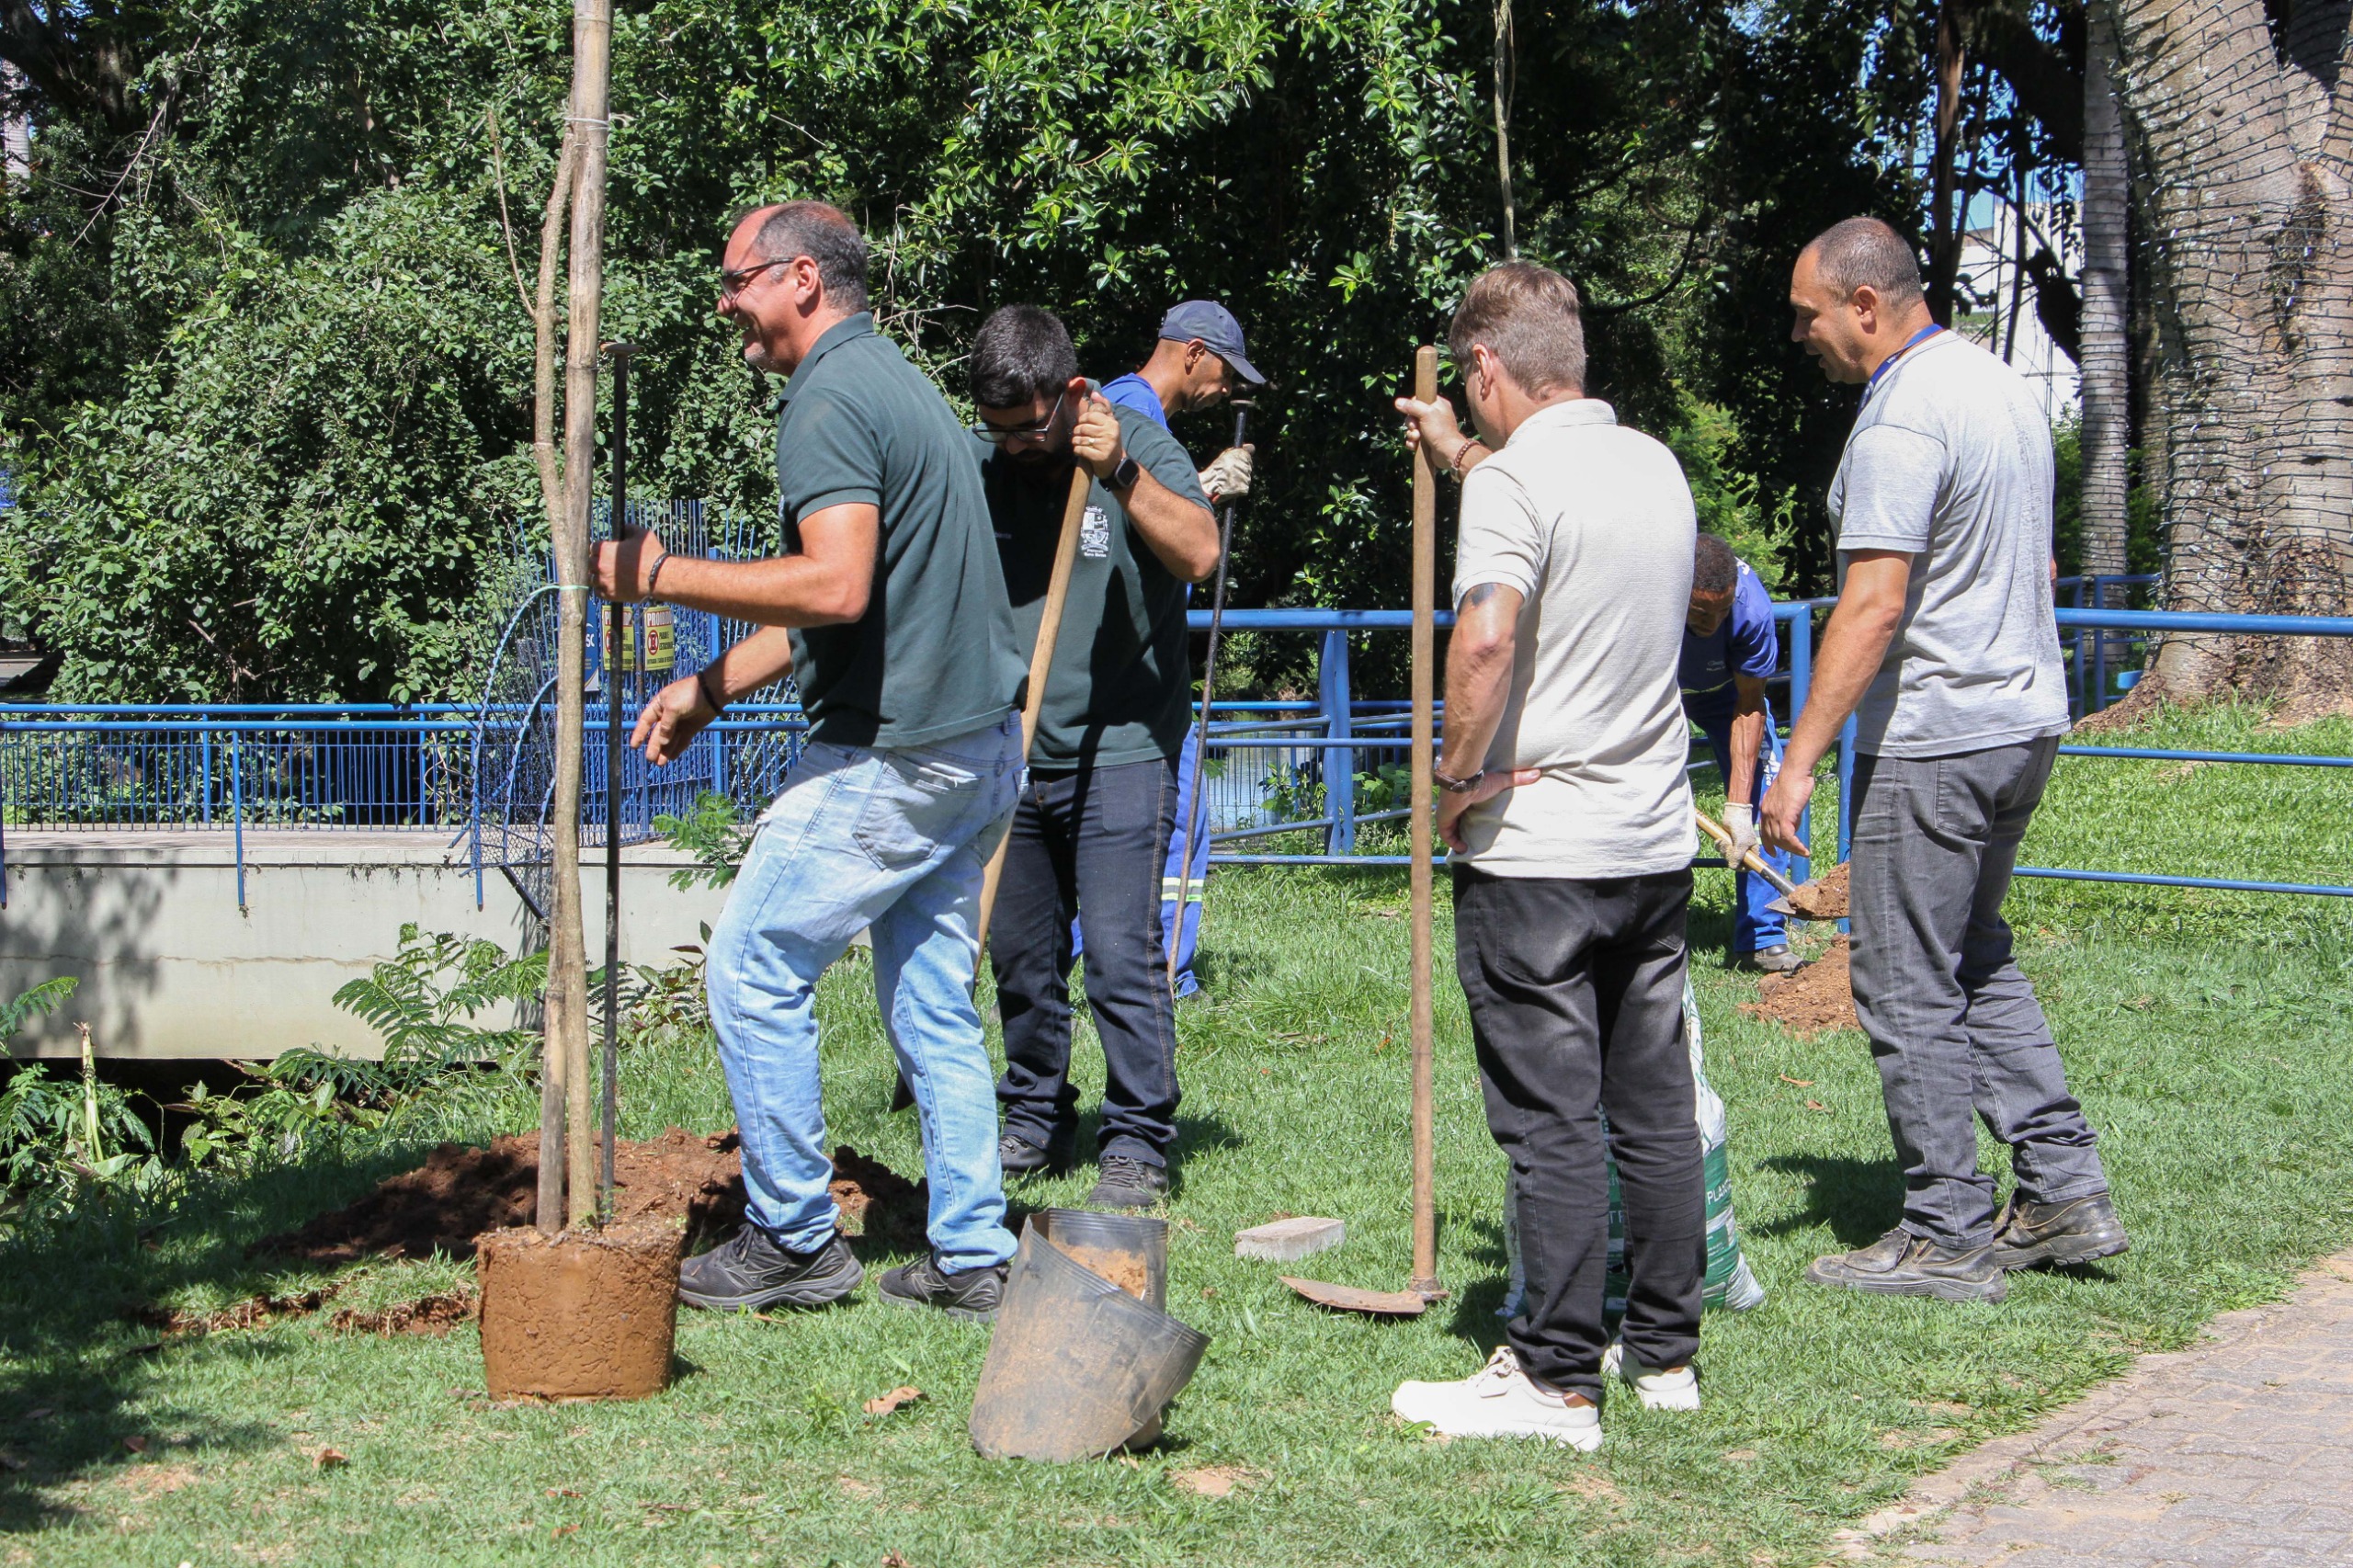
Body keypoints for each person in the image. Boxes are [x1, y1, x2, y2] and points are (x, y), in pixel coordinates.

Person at [592, 201, 1029, 1322]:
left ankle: (792, 1236)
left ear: (797, 278)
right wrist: (706, 684)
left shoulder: (826, 398)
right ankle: (974, 1252)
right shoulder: (892, 380)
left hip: (899, 757)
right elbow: (856, 604)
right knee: (931, 999)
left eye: (733, 278)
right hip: (977, 747)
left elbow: (830, 585)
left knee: (748, 966)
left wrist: (658, 575)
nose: (725, 301)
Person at [1760, 217, 2127, 1303]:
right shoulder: (1999, 385)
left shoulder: (1904, 413)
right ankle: (2063, 1190)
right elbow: (2041, 558)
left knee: (1901, 973)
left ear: (1863, 306)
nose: (1801, 334)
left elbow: (1873, 603)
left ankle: (1946, 1230)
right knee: (1971, 951)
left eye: (1807, 312)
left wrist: (1798, 762)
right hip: (2025, 720)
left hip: (1941, 733)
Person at [1383, 261, 1706, 1449]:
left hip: (1538, 852)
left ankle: (1557, 1376)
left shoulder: (1516, 483)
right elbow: (1558, 536)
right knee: (1651, 1099)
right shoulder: (1653, 468)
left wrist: (1454, 781)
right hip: (1652, 843)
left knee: (1550, 1116)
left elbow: (1488, 641)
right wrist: (1456, 455)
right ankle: (1664, 1354)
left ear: (1484, 369)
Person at [970, 306, 1222, 1210]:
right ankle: (1034, 1110)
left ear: (1071, 395)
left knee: (1118, 949)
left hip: (1121, 744)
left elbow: (1197, 551)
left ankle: (1139, 1133)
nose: (1015, 446)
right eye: (998, 430)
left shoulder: (1138, 444)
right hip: (1017, 746)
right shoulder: (982, 467)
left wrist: (1114, 469)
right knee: (1020, 954)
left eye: (1031, 427)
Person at [1098, 300, 1267, 995]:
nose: (1227, 389)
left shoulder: (1131, 412)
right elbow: (1113, 528)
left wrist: (1201, 489)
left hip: (1136, 664)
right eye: (1226, 372)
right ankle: (1166, 971)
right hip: (1133, 669)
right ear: (1193, 352)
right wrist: (1204, 489)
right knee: (1178, 820)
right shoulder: (1127, 410)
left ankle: (1133, 961)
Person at [1681, 533, 1802, 971]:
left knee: (1770, 794)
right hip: (1655, 694)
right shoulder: (1649, 594)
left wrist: (1737, 807)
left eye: (1721, 609)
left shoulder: (1751, 608)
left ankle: (1763, 938)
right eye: (1699, 611)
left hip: (1728, 695)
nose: (1712, 622)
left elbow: (1749, 707)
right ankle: (1644, 925)